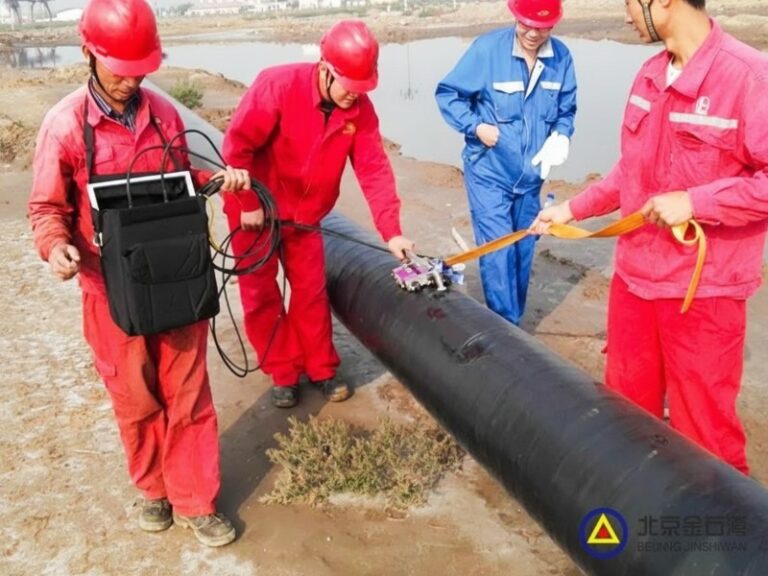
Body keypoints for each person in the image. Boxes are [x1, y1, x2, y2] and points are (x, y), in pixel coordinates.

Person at [28, 0, 252, 546]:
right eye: (120, 69)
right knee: (134, 396)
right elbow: (45, 209)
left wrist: (216, 179)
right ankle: (153, 489)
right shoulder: (64, 127)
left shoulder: (166, 116)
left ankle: (196, 501)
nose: (131, 81)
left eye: (140, 69)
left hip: (176, 277)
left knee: (189, 392)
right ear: (89, 53)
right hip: (110, 291)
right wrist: (56, 247)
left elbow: (179, 182)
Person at [532, 0, 768, 474]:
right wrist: (572, 208)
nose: (624, 16)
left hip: (701, 295)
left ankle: (716, 541)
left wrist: (696, 202)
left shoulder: (749, 78)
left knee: (705, 437)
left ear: (663, 1)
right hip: (635, 284)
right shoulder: (648, 76)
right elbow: (630, 172)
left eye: (628, 4)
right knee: (626, 419)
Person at [222, 20, 414, 409]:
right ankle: (283, 372)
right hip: (255, 210)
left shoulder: (359, 109)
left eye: (362, 89)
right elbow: (236, 149)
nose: (353, 97)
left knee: (310, 293)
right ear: (325, 68)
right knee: (260, 294)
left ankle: (321, 368)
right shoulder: (277, 86)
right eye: (348, 86)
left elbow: (373, 168)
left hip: (306, 217)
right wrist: (249, 205)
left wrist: (391, 231)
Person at [435, 0, 576, 326]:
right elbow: (447, 94)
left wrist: (561, 136)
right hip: (489, 173)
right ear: (515, 16)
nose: (532, 33)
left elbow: (566, 110)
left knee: (524, 248)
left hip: (530, 178)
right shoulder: (487, 51)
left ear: (554, 24)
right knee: (499, 252)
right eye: (526, 24)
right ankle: (508, 327)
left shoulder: (561, 59)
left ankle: (514, 319)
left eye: (541, 27)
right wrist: (475, 126)